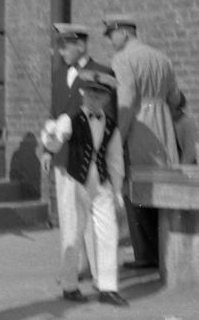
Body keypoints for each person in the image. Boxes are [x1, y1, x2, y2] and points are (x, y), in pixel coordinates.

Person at [40, 70, 128, 307]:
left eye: (99, 95)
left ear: (107, 99)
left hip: (101, 183)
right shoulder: (70, 119)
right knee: (74, 233)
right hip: (75, 181)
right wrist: (49, 138)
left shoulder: (111, 126)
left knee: (108, 232)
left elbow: (115, 159)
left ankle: (108, 287)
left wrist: (117, 190)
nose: (94, 99)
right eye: (90, 94)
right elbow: (55, 143)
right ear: (82, 94)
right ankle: (70, 285)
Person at [104, 14, 182, 269]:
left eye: (111, 34)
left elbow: (126, 102)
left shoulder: (123, 59)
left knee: (135, 190)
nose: (110, 40)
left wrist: (117, 138)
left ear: (124, 33)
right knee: (163, 188)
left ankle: (146, 254)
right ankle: (166, 251)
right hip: (163, 127)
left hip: (139, 127)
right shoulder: (162, 58)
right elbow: (174, 99)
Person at [44, 24, 117, 224]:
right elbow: (54, 112)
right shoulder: (59, 74)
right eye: (60, 46)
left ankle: (91, 257)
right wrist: (47, 149)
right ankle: (73, 256)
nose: (61, 51)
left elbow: (108, 117)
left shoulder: (101, 72)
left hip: (89, 157)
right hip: (63, 156)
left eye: (65, 46)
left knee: (93, 218)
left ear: (81, 46)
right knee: (68, 216)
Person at [171, 92, 198, 165]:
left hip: (184, 167)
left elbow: (190, 152)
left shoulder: (186, 123)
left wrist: (182, 169)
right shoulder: (166, 122)